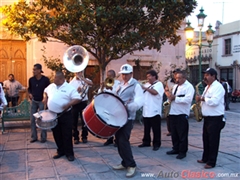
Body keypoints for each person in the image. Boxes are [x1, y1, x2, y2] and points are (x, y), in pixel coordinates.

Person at [112, 64, 144, 178]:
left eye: (126, 74)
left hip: (128, 117)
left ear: (131, 74)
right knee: (118, 140)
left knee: (123, 140)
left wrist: (129, 106)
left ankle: (131, 165)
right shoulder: (120, 85)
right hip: (118, 117)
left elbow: (140, 101)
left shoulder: (136, 85)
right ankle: (124, 162)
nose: (124, 76)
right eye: (123, 74)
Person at [43, 71, 81, 161]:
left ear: (61, 79)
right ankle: (60, 151)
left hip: (65, 115)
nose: (53, 79)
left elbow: (77, 98)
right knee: (56, 133)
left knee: (67, 134)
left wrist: (68, 104)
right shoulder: (51, 86)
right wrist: (45, 98)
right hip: (53, 114)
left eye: (55, 78)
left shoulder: (69, 88)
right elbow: (45, 91)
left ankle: (69, 153)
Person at [196, 68, 225, 169]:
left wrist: (202, 98)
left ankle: (211, 162)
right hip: (207, 117)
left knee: (213, 141)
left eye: (207, 75)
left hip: (215, 118)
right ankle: (205, 158)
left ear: (214, 76)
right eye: (205, 75)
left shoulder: (218, 87)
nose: (205, 77)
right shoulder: (208, 87)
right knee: (206, 139)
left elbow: (215, 102)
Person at [165, 70, 194, 159]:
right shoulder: (176, 86)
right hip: (173, 112)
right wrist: (169, 99)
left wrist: (175, 98)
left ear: (184, 78)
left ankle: (182, 151)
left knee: (182, 134)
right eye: (176, 78)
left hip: (182, 113)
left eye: (179, 78)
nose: (177, 80)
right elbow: (172, 98)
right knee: (174, 133)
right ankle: (175, 148)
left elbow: (188, 100)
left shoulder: (189, 87)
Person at [138, 70, 164, 151]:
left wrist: (145, 88)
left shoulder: (159, 84)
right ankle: (146, 141)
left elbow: (155, 92)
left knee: (156, 129)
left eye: (149, 76)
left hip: (154, 110)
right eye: (147, 76)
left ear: (154, 76)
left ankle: (156, 143)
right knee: (146, 128)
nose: (148, 78)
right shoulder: (147, 84)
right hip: (146, 110)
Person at [28, 64, 50, 143]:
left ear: (39, 70)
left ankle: (43, 137)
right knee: (32, 119)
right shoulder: (31, 79)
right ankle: (34, 137)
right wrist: (29, 93)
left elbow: (49, 90)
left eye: (35, 70)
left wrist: (46, 98)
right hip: (34, 101)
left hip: (41, 102)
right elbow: (29, 89)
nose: (33, 71)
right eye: (33, 70)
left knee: (42, 120)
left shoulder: (45, 80)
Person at [69, 71, 93, 144]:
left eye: (81, 72)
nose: (79, 73)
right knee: (74, 121)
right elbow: (70, 94)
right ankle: (76, 137)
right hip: (75, 103)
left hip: (83, 102)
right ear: (75, 73)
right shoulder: (71, 83)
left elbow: (91, 83)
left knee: (84, 121)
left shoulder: (86, 80)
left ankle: (84, 137)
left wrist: (82, 79)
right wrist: (76, 91)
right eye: (78, 72)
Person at [101, 70, 121, 146]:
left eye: (110, 75)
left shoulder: (118, 83)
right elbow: (100, 93)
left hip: (115, 105)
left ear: (114, 76)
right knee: (108, 122)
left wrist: (111, 88)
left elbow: (117, 93)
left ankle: (117, 140)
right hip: (107, 104)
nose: (109, 77)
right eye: (108, 75)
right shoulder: (106, 82)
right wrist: (102, 87)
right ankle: (109, 139)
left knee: (115, 123)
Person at [164, 68, 181, 136]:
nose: (175, 74)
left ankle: (178, 129)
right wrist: (168, 94)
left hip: (177, 100)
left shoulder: (181, 81)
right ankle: (170, 130)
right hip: (170, 99)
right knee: (168, 116)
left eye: (177, 73)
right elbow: (166, 89)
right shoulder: (169, 81)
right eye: (174, 73)